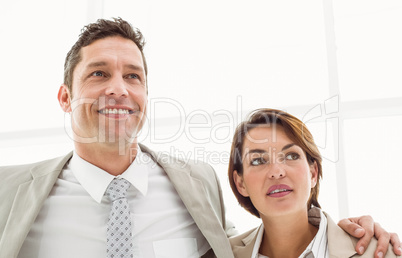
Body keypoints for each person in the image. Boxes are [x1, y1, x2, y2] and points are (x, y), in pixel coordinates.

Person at [0, 18, 399, 258]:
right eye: (99, 73)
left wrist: (349, 235)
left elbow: (259, 244)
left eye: (133, 76)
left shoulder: (196, 183)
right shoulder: (8, 192)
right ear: (65, 97)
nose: (119, 89)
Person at [228, 108, 401, 258]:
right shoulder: (222, 254)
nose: (277, 171)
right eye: (258, 161)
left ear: (313, 173)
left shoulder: (379, 252)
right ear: (240, 183)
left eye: (291, 156)